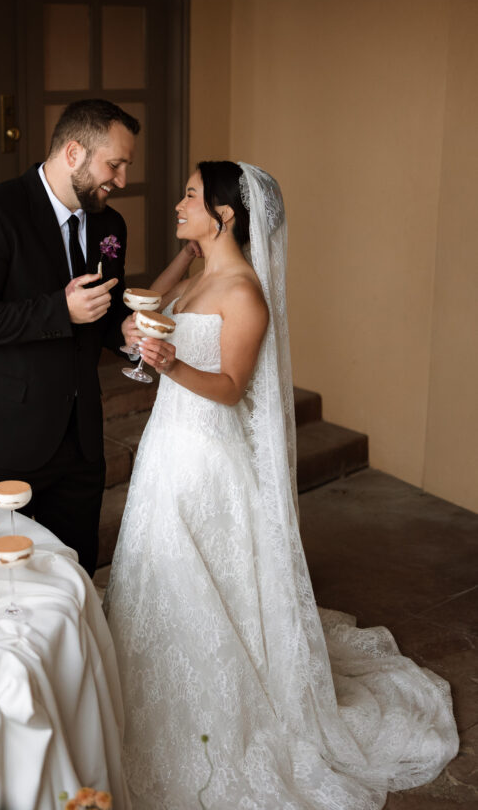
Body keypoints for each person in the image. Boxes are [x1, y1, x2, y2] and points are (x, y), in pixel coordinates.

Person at [106, 161, 458, 808]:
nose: (178, 202)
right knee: (156, 574)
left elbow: (229, 388)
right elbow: (153, 309)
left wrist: (169, 360)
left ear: (226, 215)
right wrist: (177, 269)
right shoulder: (202, 271)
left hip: (204, 459)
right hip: (166, 446)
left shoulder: (243, 294)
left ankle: (212, 710)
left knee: (194, 575)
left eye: (190, 196)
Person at [0, 99, 139, 576]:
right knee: (7, 577)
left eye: (127, 165)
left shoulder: (110, 224)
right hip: (3, 430)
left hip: (80, 435)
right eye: (115, 164)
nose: (123, 179)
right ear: (73, 153)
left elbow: (105, 303)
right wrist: (59, 310)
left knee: (75, 571)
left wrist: (124, 331)